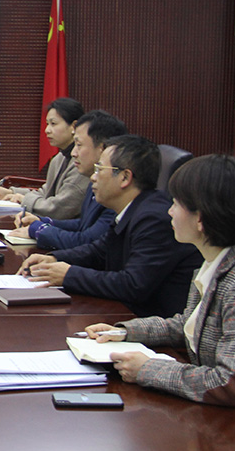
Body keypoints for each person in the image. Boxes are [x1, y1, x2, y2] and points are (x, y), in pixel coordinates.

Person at [83, 155, 235, 440]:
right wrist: (124, 331)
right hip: (220, 423)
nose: (169, 211)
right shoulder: (216, 261)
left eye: (176, 203)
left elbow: (230, 384)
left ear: (202, 218)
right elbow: (189, 324)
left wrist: (149, 370)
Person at [18, 134, 199, 318]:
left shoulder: (154, 218)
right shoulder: (133, 208)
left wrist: (69, 275)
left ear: (124, 177)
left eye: (99, 169)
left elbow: (133, 285)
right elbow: (100, 251)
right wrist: (54, 259)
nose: (93, 178)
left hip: (152, 323)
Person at [3, 109, 127, 250]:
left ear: (102, 148)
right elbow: (82, 224)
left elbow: (86, 240)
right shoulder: (93, 179)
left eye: (79, 145)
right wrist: (43, 221)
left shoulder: (116, 191)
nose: (73, 153)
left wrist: (38, 230)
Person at [0, 97, 87, 219]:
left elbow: (60, 208)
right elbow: (45, 193)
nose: (47, 130)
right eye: (47, 124)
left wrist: (24, 200)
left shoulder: (83, 162)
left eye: (53, 124)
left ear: (74, 126)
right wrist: (11, 193)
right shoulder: (59, 158)